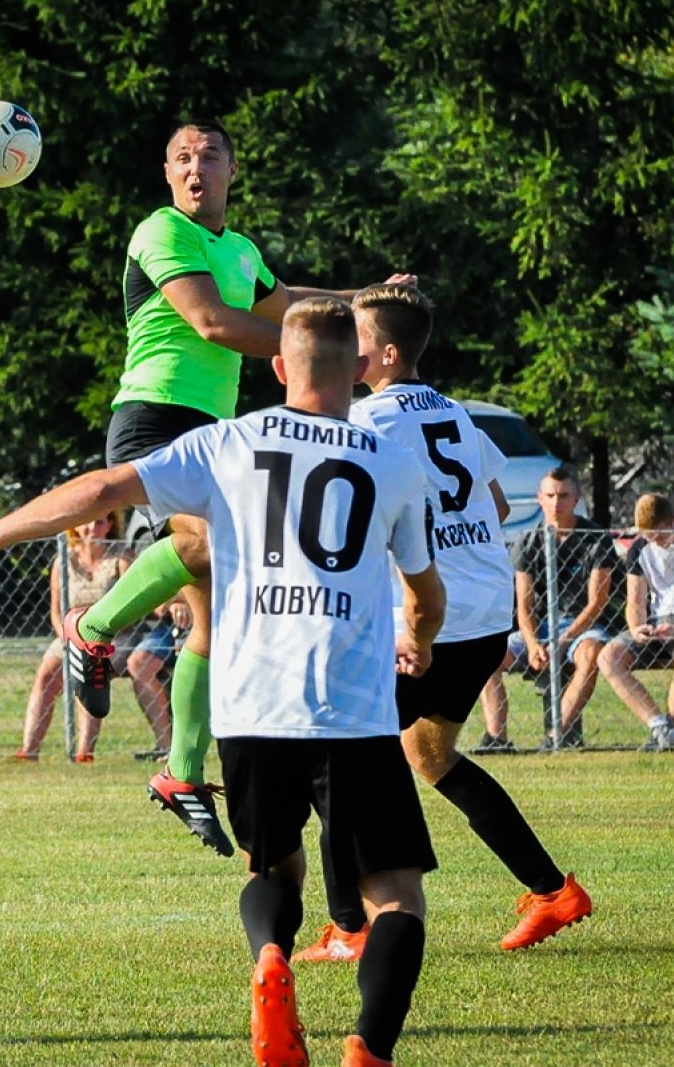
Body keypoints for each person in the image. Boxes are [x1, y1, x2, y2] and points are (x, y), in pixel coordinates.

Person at [0, 298, 445, 1067]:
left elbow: (100, 490)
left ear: (276, 368)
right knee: (396, 894)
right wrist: (420, 639)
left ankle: (270, 955)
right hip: (352, 710)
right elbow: (426, 596)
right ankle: (368, 1047)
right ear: (361, 368)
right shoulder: (392, 461)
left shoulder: (228, 443)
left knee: (273, 868)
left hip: (249, 707)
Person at [58, 117, 408, 855]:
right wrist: (333, 357)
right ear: (167, 173)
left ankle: (181, 770)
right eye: (183, 158)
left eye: (209, 156)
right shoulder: (161, 232)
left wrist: (362, 298)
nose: (196, 168)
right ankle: (91, 627)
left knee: (213, 615)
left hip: (210, 430)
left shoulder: (240, 249)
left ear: (231, 170)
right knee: (211, 546)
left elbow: (286, 305)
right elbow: (215, 323)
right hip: (155, 416)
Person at [294, 285, 592, 968]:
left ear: (387, 352)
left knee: (332, 755)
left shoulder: (366, 419)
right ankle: (552, 890)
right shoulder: (460, 415)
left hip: (428, 620)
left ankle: (349, 927)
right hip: (483, 616)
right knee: (428, 755)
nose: (348, 345)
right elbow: (486, 499)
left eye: (358, 336)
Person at [13, 513, 173, 763]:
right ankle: (29, 750)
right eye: (87, 520)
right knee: (46, 674)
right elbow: (56, 610)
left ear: (109, 525)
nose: (91, 527)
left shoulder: (121, 557)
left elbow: (142, 596)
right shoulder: (64, 560)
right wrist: (67, 637)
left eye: (99, 521)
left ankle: (84, 752)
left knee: (88, 667)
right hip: (71, 633)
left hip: (116, 634)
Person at [478, 467, 616, 750]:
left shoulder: (595, 538)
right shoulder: (528, 541)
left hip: (582, 629)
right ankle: (497, 738)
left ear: (576, 498)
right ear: (539, 498)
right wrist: (531, 644)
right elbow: (525, 604)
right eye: (550, 495)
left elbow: (596, 603)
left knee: (591, 654)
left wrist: (562, 642)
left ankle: (556, 736)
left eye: (564, 496)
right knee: (485, 655)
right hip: (539, 630)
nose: (556, 503)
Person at [597, 493, 674, 750]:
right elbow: (635, 602)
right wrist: (637, 628)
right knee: (608, 657)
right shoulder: (639, 548)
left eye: (661, 535)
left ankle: (671, 723)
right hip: (658, 621)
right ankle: (659, 727)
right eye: (650, 537)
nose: (658, 542)